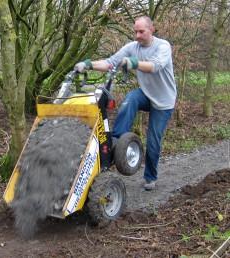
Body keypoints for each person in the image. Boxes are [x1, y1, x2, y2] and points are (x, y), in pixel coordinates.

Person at [74, 16, 177, 191]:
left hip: (163, 102)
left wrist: (134, 63)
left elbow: (155, 66)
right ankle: (117, 140)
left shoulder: (162, 46)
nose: (137, 35)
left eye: (141, 31)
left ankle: (150, 177)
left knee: (153, 142)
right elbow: (109, 63)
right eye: (135, 31)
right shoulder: (132, 47)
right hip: (146, 94)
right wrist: (88, 64)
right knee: (130, 99)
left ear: (151, 29)